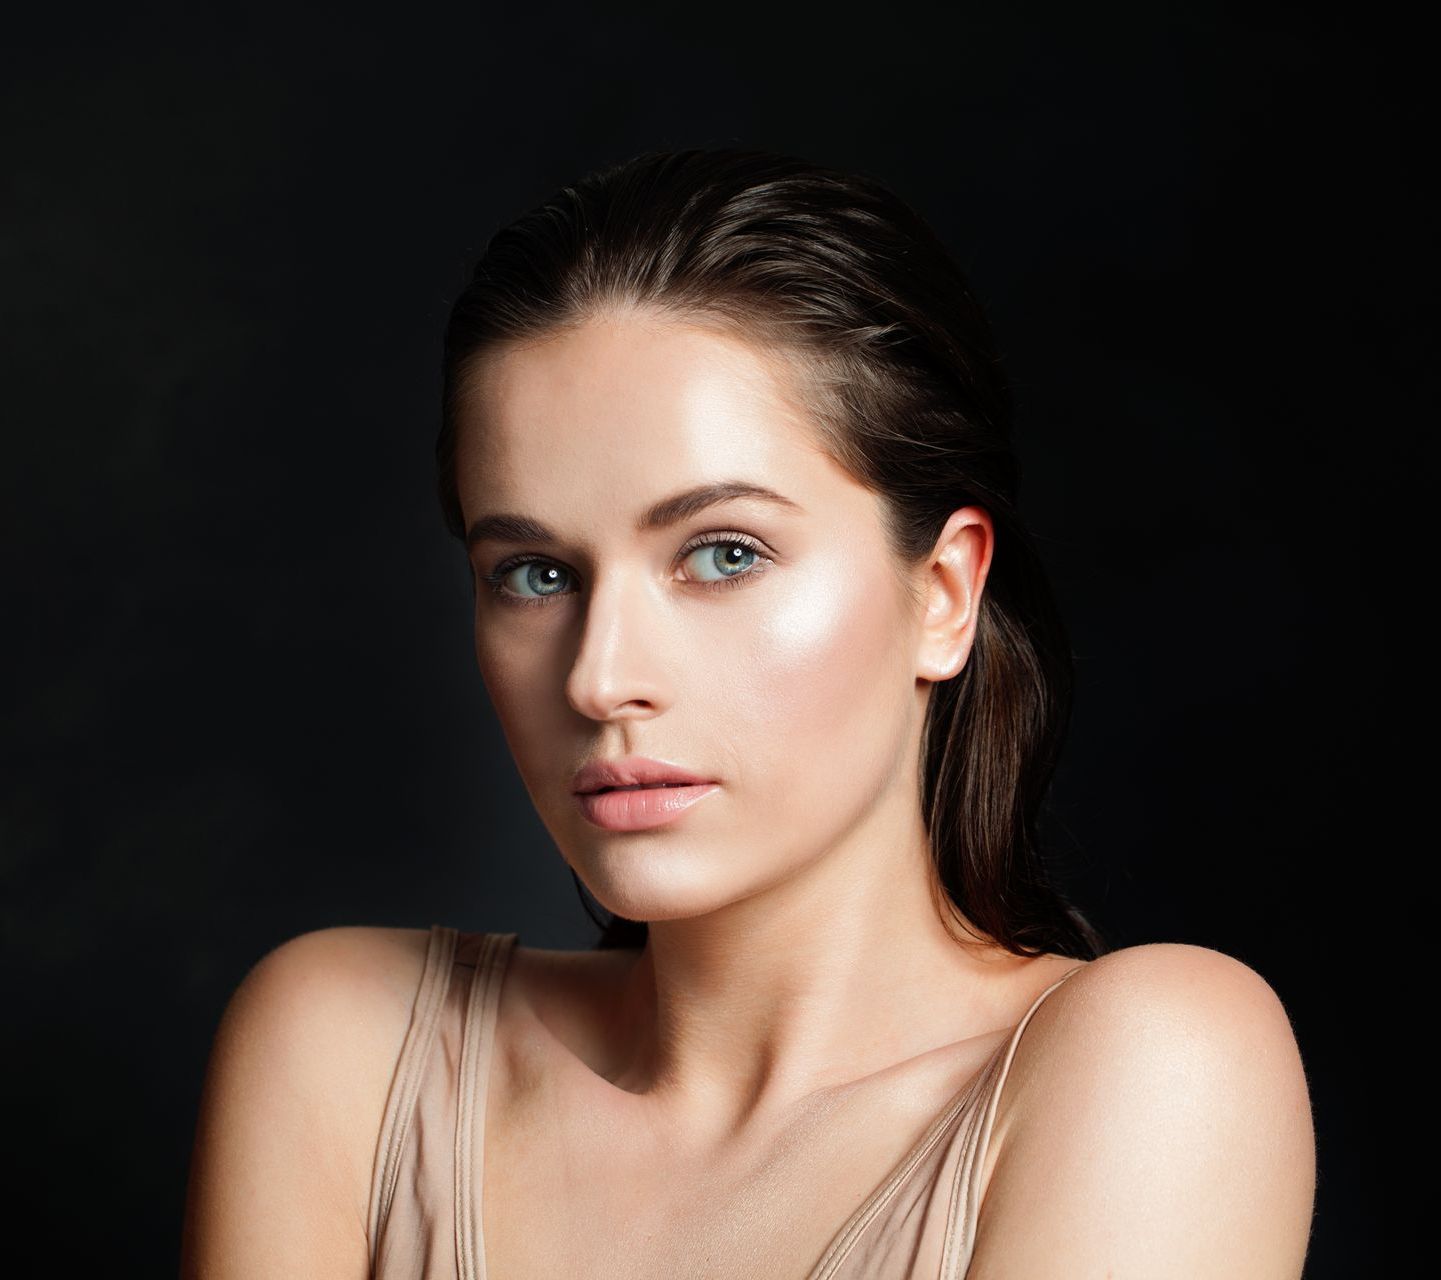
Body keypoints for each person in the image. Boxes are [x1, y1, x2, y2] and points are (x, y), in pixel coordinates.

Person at [180, 148, 1317, 1279]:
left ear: (943, 593)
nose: (598, 676)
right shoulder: (346, 1050)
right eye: (533, 572)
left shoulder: (1159, 1064)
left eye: (723, 553)